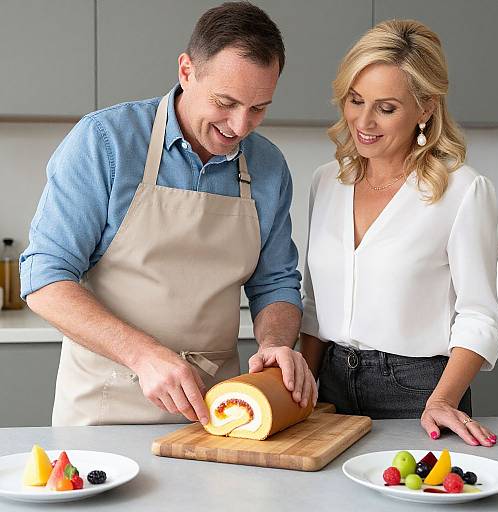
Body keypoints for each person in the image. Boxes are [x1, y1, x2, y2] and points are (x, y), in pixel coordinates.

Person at [21, 1, 317, 427]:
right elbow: (44, 278)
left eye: (258, 108)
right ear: (186, 71)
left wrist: (275, 343)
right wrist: (144, 355)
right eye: (225, 102)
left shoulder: (268, 167)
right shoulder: (106, 142)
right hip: (106, 408)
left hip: (222, 413)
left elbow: (274, 283)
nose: (239, 126)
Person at [300, 19, 498, 447]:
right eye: (356, 101)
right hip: (332, 386)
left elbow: (479, 315)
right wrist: (301, 386)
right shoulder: (326, 182)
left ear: (426, 107)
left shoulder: (462, 190)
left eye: (386, 108)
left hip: (419, 391)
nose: (364, 121)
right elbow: (316, 306)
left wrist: (443, 400)